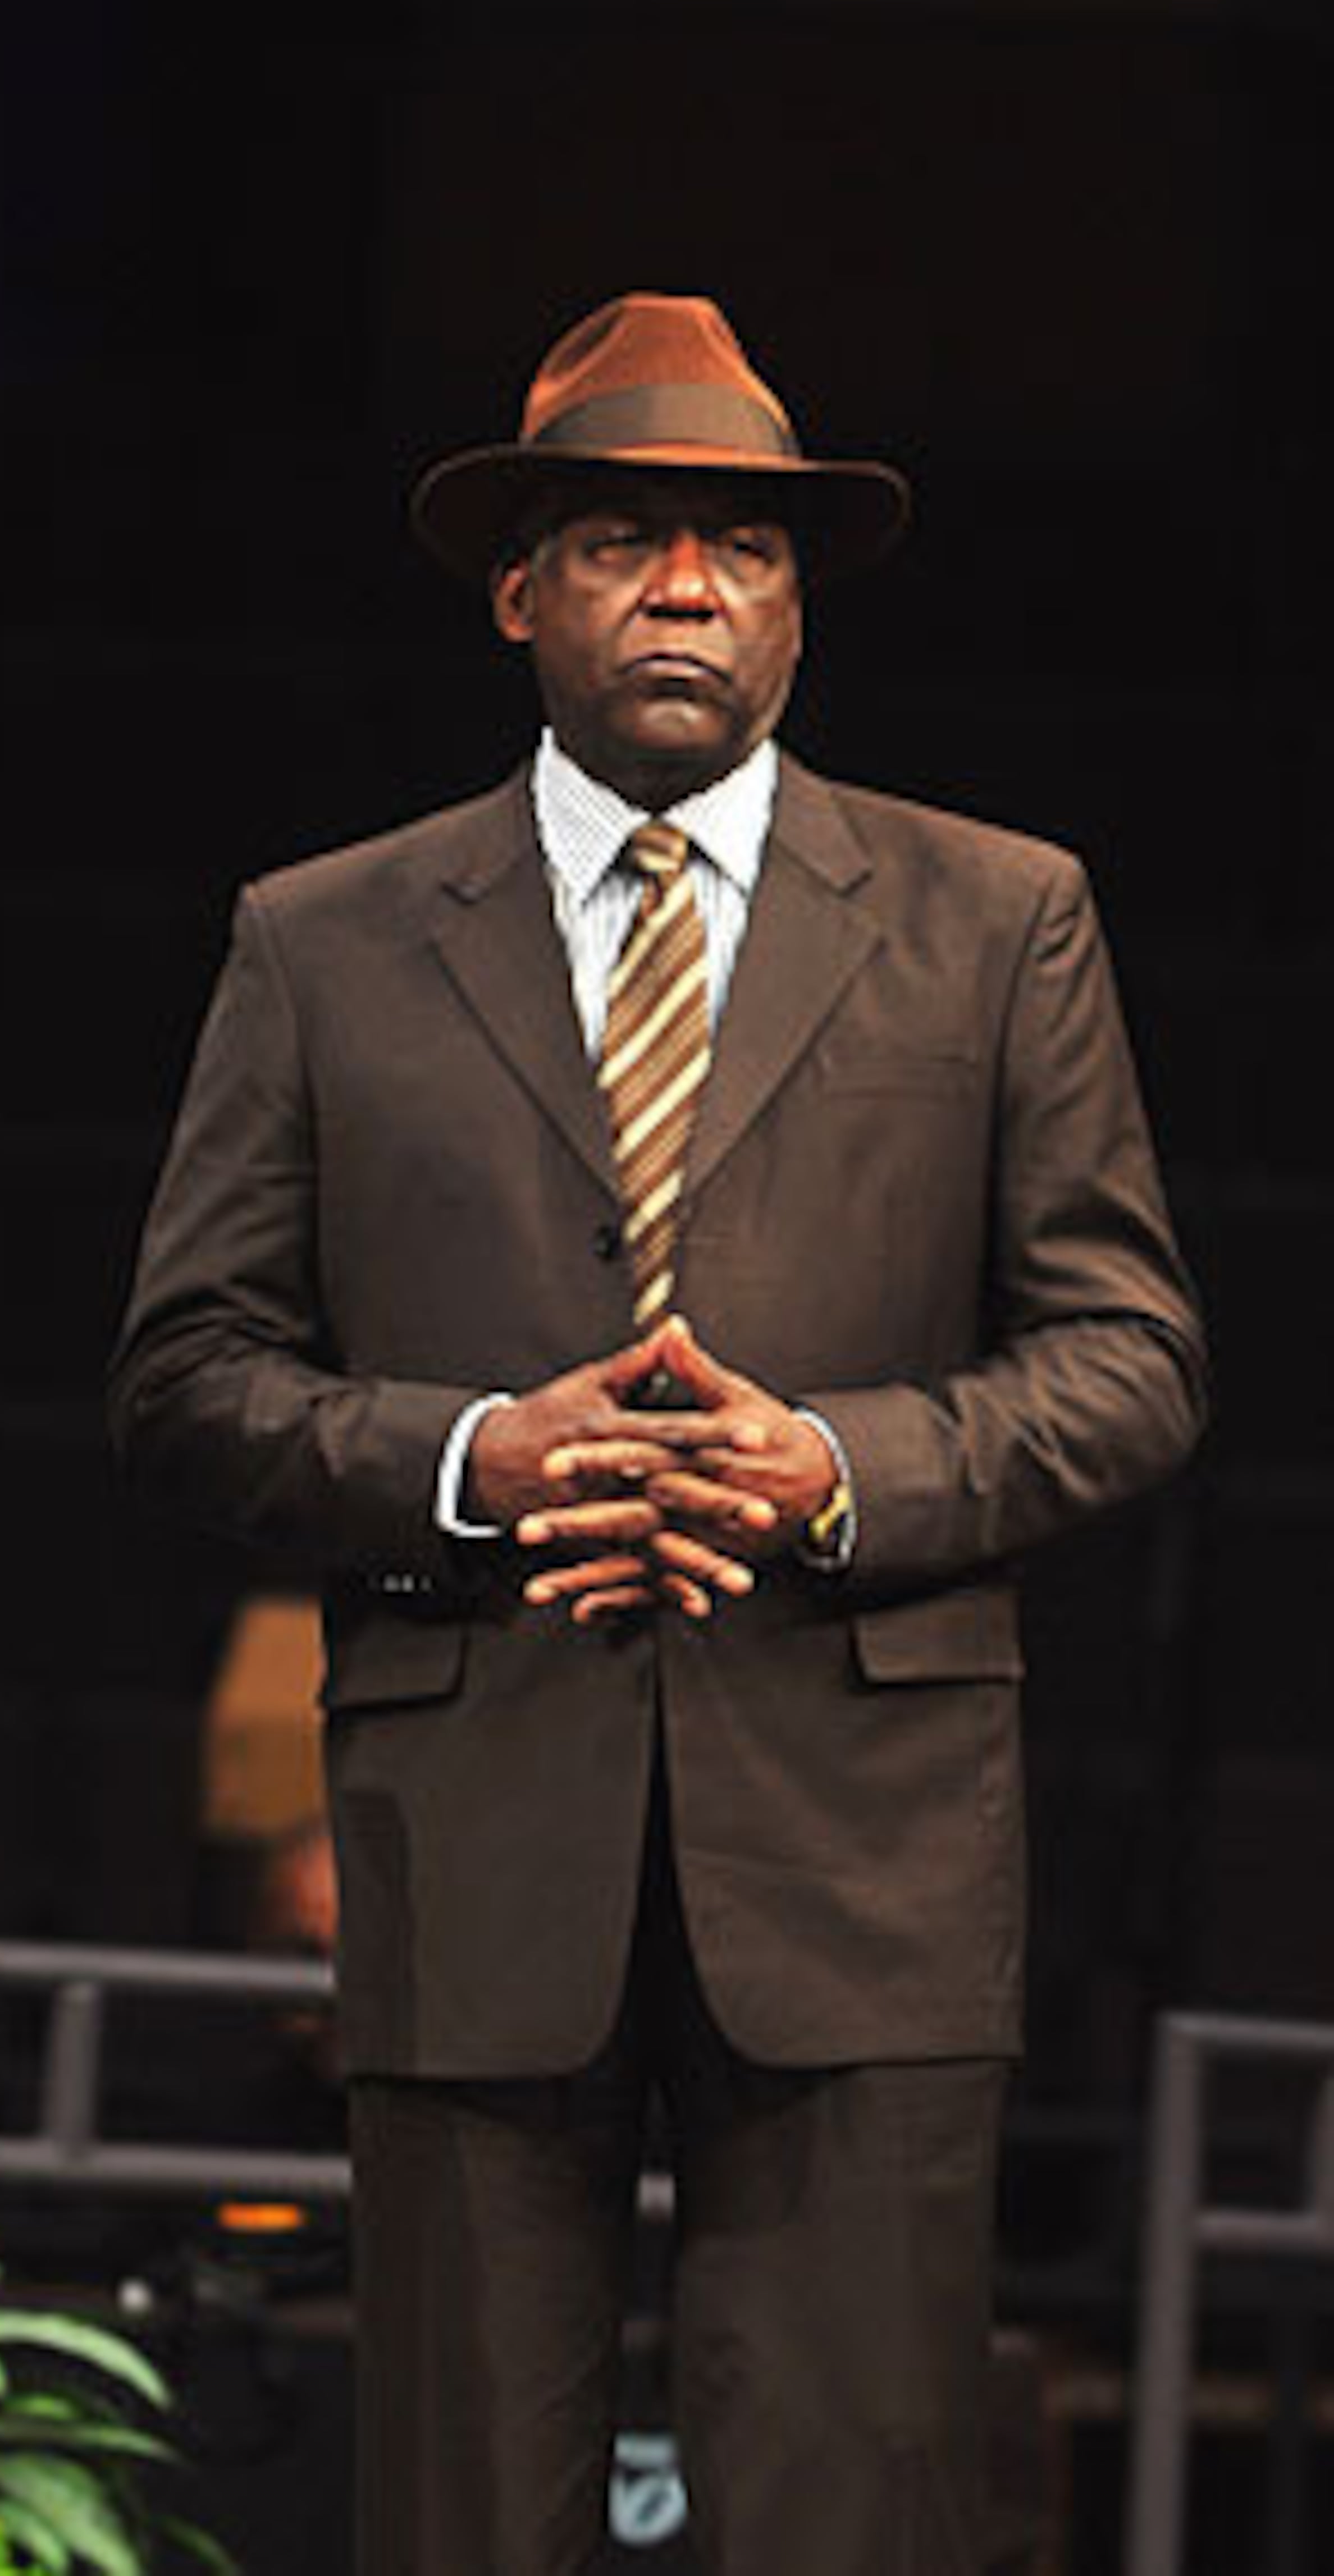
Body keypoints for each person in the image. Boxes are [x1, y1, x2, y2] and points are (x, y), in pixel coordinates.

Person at [106, 291, 1207, 2575]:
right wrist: (468, 1454)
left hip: (866, 1838)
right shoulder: (321, 940)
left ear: (800, 603)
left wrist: (834, 1463)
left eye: (741, 549)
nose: (689, 585)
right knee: (461, 2514)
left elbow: (1131, 1358)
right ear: (522, 590)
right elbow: (187, 1369)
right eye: (622, 539)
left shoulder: (1001, 921)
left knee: (848, 2504)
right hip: (479, 1807)